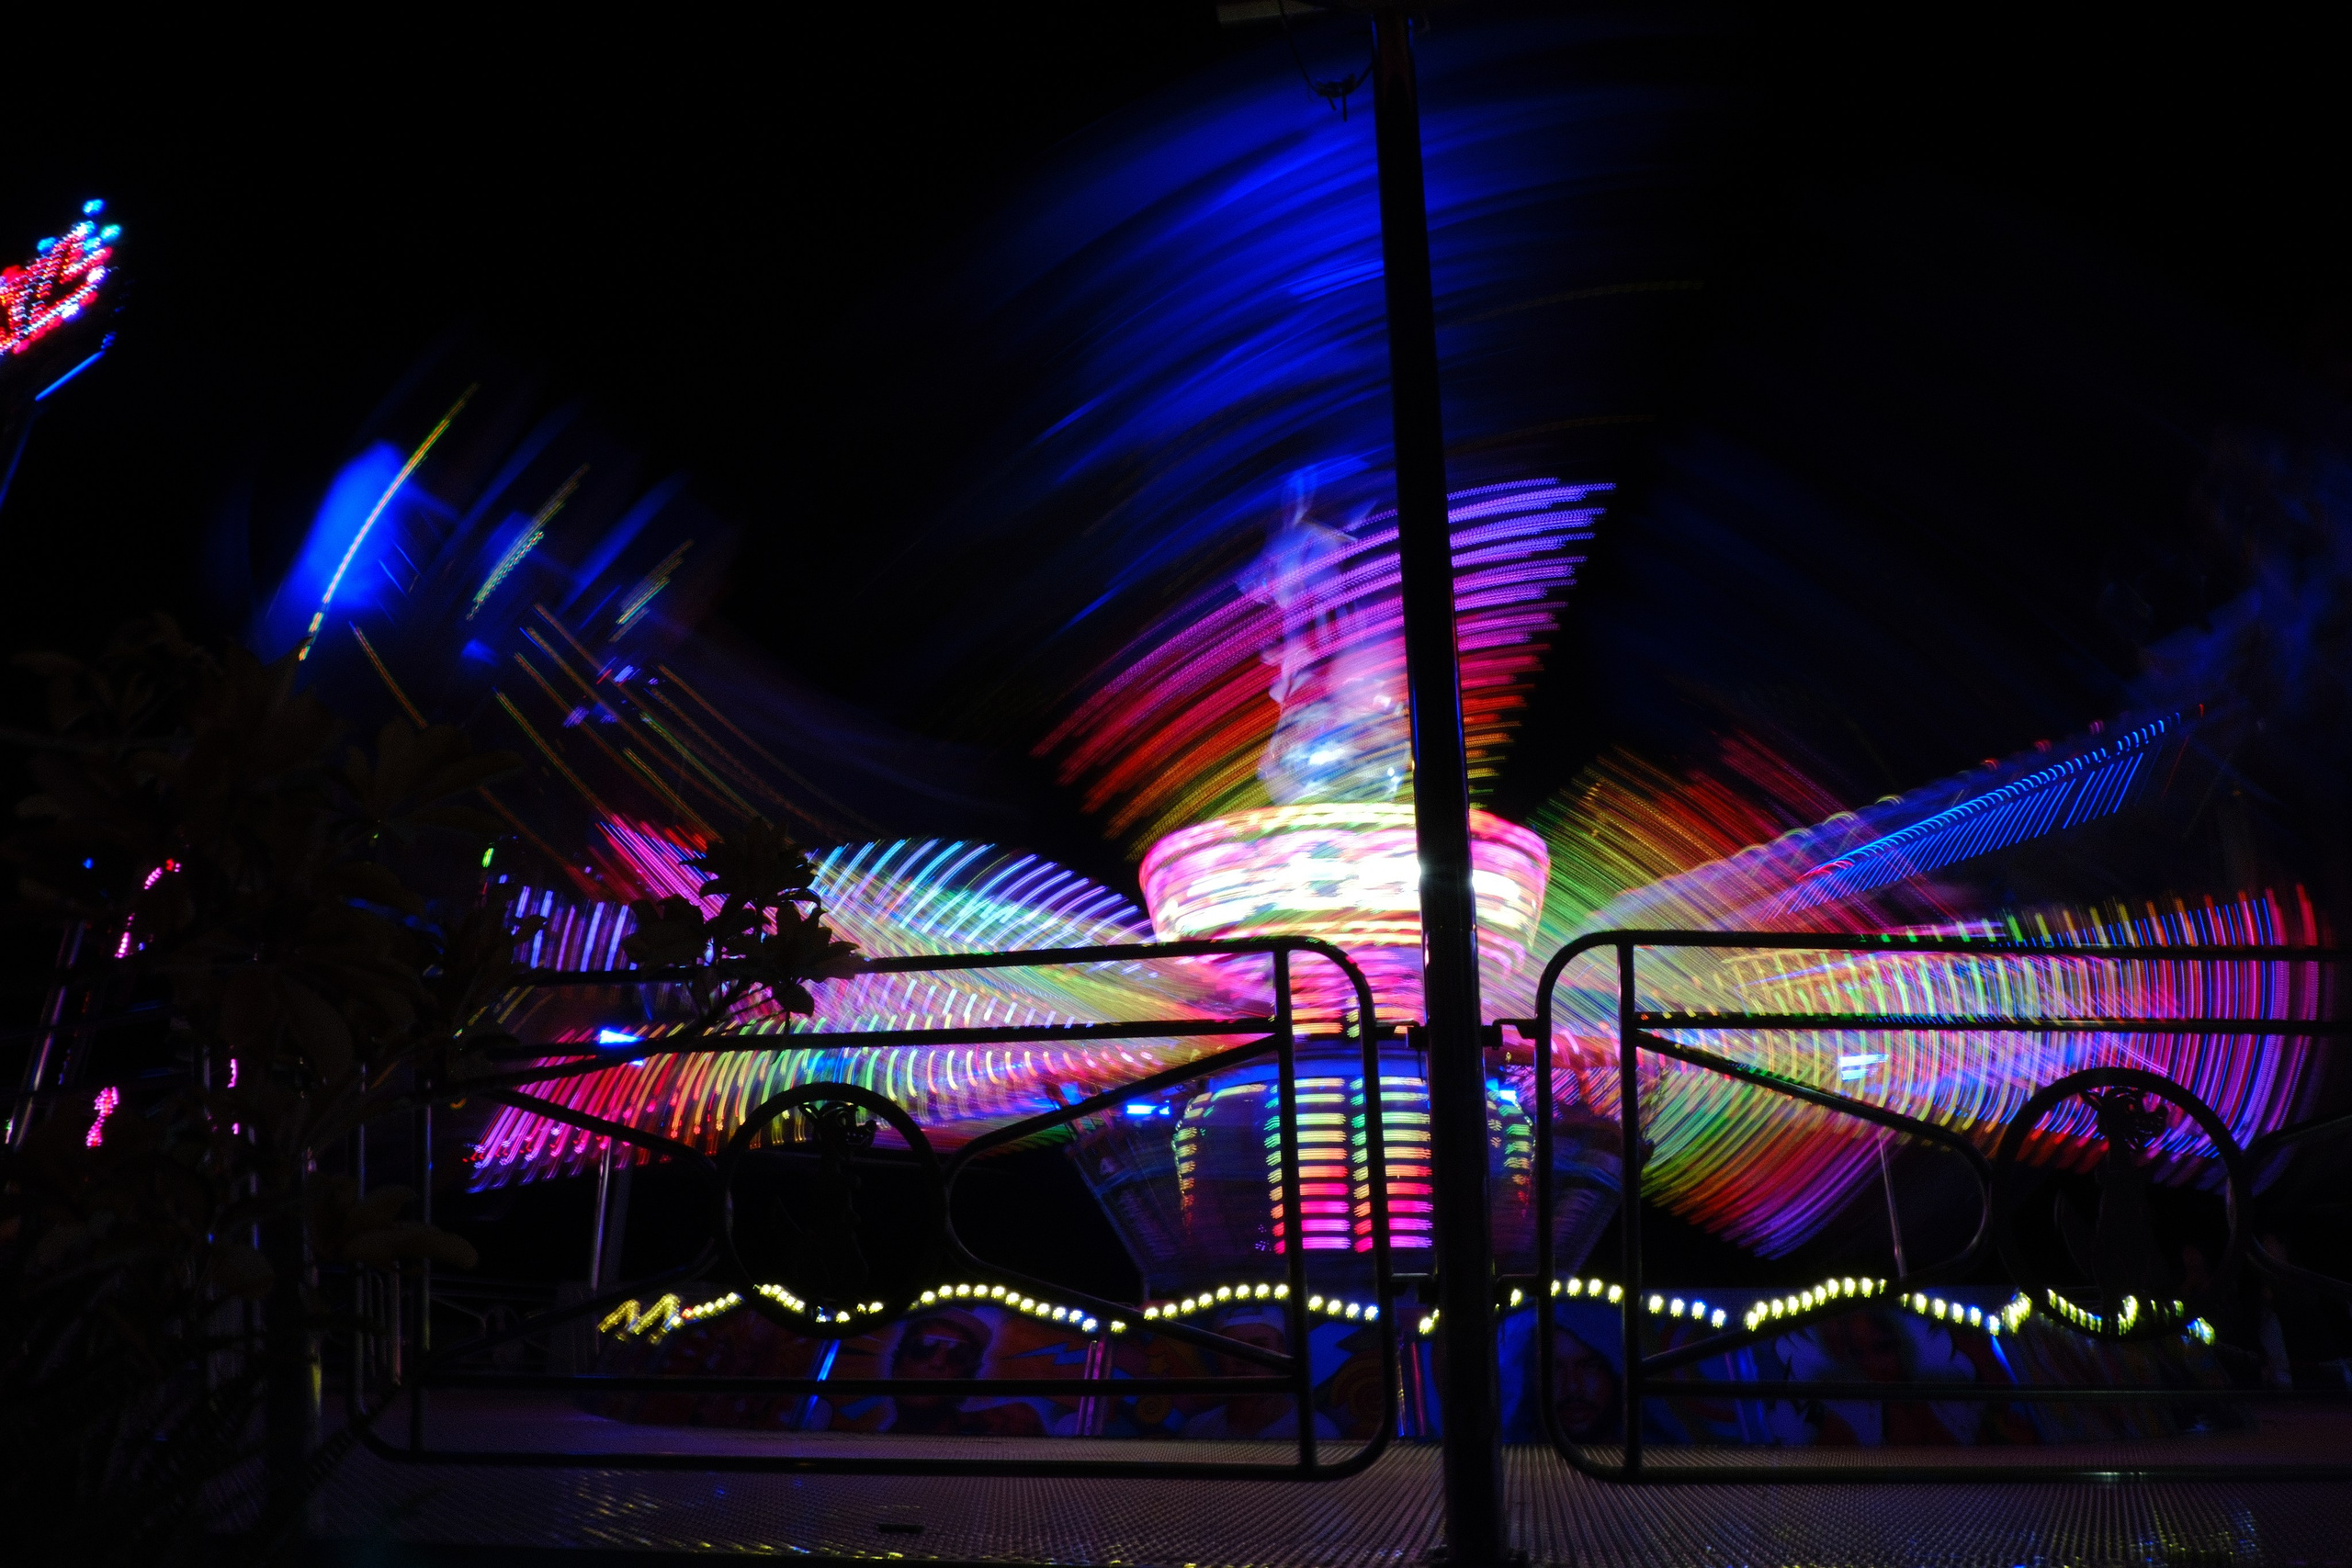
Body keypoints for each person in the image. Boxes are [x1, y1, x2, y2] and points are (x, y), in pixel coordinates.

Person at [887, 1307, 1046, 1436]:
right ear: (897, 1364)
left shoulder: (1011, 1424)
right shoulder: (868, 1448)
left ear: (970, 1373)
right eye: (924, 1347)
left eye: (959, 1353)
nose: (938, 1362)